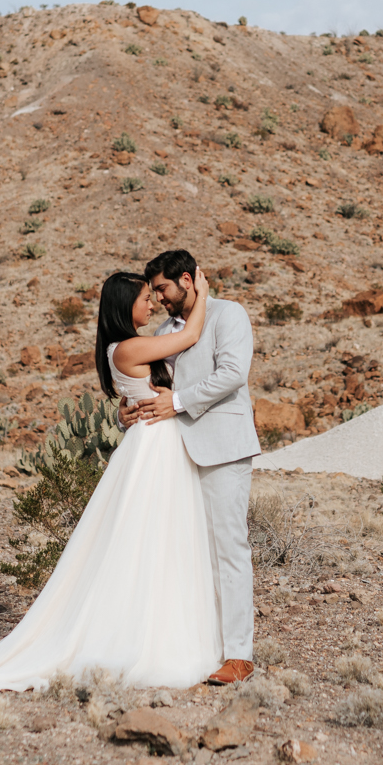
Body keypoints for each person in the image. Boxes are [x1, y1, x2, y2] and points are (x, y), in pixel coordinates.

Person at [0, 270, 222, 691]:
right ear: (124, 305)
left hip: (151, 440)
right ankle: (153, 638)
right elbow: (189, 336)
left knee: (149, 537)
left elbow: (134, 395)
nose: (151, 304)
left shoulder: (120, 348)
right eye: (143, 299)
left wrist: (122, 413)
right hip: (157, 446)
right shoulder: (130, 347)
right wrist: (203, 292)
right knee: (155, 537)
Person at [121, 248, 262, 686]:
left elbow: (233, 373)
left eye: (162, 288)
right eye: (155, 292)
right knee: (188, 554)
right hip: (177, 455)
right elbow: (152, 388)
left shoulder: (228, 314)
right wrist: (126, 412)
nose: (159, 298)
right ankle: (200, 647)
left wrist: (177, 402)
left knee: (228, 549)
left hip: (222, 447)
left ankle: (239, 655)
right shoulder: (167, 331)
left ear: (186, 280)